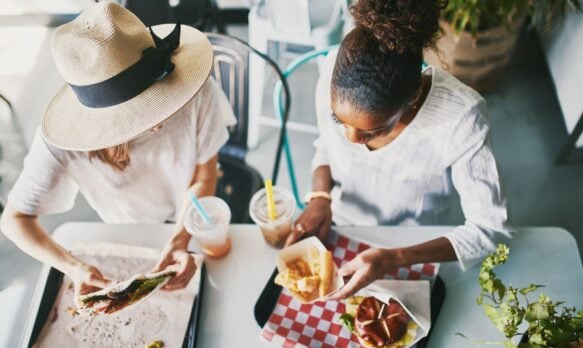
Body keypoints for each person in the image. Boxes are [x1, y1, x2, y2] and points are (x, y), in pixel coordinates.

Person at [0, 3, 236, 295]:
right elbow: (14, 220)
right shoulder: (62, 140)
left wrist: (179, 238)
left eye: (162, 98)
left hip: (188, 217)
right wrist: (74, 267)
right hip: (127, 227)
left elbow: (204, 175)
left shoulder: (198, 91)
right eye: (138, 114)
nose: (158, 122)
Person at [285, 0, 512, 299]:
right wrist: (319, 198)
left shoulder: (461, 118)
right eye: (337, 120)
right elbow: (325, 147)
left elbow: (489, 230)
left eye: (374, 131)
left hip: (416, 241)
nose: (351, 139)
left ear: (414, 95)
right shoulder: (331, 72)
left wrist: (394, 258)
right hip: (341, 225)